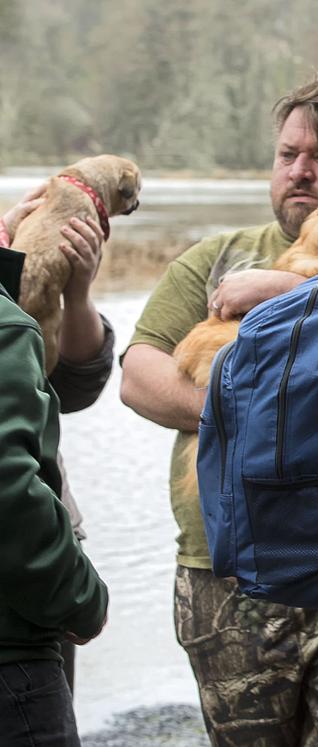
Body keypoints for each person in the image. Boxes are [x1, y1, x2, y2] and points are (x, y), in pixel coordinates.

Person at [120, 69, 318, 745]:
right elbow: (140, 376)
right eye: (287, 155)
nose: (300, 173)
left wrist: (285, 291)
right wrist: (248, 413)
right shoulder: (216, 258)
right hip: (225, 569)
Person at [3, 185, 116, 695]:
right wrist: (82, 599)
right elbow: (10, 487)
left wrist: (77, 291)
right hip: (29, 587)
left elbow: (71, 385)